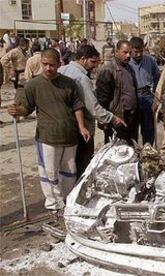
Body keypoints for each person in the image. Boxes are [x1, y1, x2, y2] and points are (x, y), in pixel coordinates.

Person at [7, 48, 90, 216]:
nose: (48, 68)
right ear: (41, 63)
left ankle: (67, 201)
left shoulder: (69, 83)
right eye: (45, 64)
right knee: (49, 172)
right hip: (47, 136)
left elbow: (77, 106)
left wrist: (82, 126)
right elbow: (26, 108)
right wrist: (17, 111)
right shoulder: (33, 85)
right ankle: (54, 204)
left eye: (52, 65)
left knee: (69, 171)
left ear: (59, 64)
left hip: (69, 135)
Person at [59, 45, 126, 178]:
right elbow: (93, 108)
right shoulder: (82, 78)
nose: (94, 66)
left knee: (66, 167)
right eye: (93, 62)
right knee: (82, 166)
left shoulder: (62, 69)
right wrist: (112, 118)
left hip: (65, 127)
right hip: (82, 129)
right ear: (83, 59)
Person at [96, 40, 138, 143]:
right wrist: (104, 120)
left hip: (130, 118)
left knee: (130, 150)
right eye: (125, 52)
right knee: (116, 152)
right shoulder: (108, 70)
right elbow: (102, 99)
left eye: (130, 52)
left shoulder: (129, 68)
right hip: (117, 119)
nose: (128, 55)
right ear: (117, 52)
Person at [129, 36, 160, 145]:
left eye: (141, 51)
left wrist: (156, 97)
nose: (138, 54)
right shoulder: (127, 62)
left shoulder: (150, 60)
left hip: (147, 97)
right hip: (132, 98)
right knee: (132, 131)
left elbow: (158, 77)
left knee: (148, 130)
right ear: (130, 50)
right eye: (135, 52)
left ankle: (148, 154)